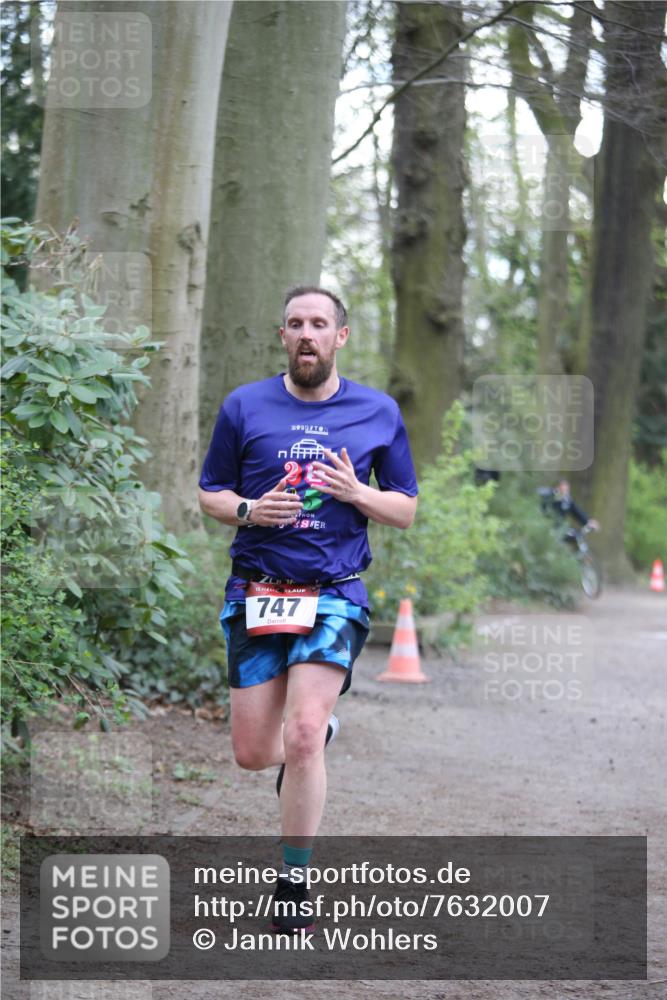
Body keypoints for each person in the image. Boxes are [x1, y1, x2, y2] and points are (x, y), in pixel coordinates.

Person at [198, 285, 418, 932]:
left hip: (333, 593)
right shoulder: (244, 406)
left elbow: (404, 507)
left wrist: (357, 492)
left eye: (318, 324)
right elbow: (210, 491)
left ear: (339, 337)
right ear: (282, 335)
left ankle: (292, 882)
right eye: (294, 323)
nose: (306, 334)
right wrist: (247, 510)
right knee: (251, 751)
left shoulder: (376, 411)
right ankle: (319, 739)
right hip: (256, 590)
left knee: (296, 735)